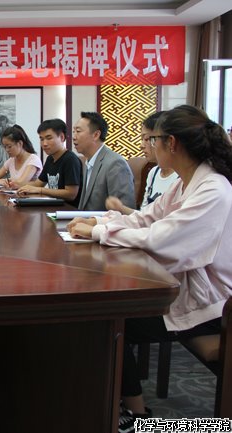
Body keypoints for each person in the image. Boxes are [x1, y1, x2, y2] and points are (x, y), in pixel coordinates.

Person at [67, 105, 232, 432]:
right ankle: (132, 408)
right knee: (109, 316)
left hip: (213, 306)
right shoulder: (186, 182)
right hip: (187, 291)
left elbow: (163, 240)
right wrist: (100, 222)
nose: (148, 146)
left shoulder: (213, 189)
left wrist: (100, 232)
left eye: (152, 139)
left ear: (171, 143)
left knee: (108, 319)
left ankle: (136, 415)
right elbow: (146, 218)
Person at [106, 112, 179, 215]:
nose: (141, 145)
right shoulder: (153, 172)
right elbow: (144, 215)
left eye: (147, 139)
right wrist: (121, 208)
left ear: (168, 140)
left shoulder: (181, 177)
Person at [73, 111, 135, 211]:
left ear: (96, 135)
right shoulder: (88, 161)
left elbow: (124, 211)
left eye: (78, 131)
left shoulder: (115, 164)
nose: (74, 137)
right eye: (74, 132)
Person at [16, 118, 83, 207]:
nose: (44, 144)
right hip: (53, 207)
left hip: (68, 211)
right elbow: (38, 184)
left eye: (49, 138)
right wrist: (17, 185)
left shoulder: (70, 159)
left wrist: (40, 190)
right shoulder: (50, 159)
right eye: (41, 139)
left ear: (62, 137)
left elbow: (71, 194)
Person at [0, 124, 42, 188]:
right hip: (16, 194)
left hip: (30, 194)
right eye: (5, 147)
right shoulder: (11, 161)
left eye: (9, 146)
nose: (7, 150)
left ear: (20, 143)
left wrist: (1, 181)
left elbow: (20, 183)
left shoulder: (33, 160)